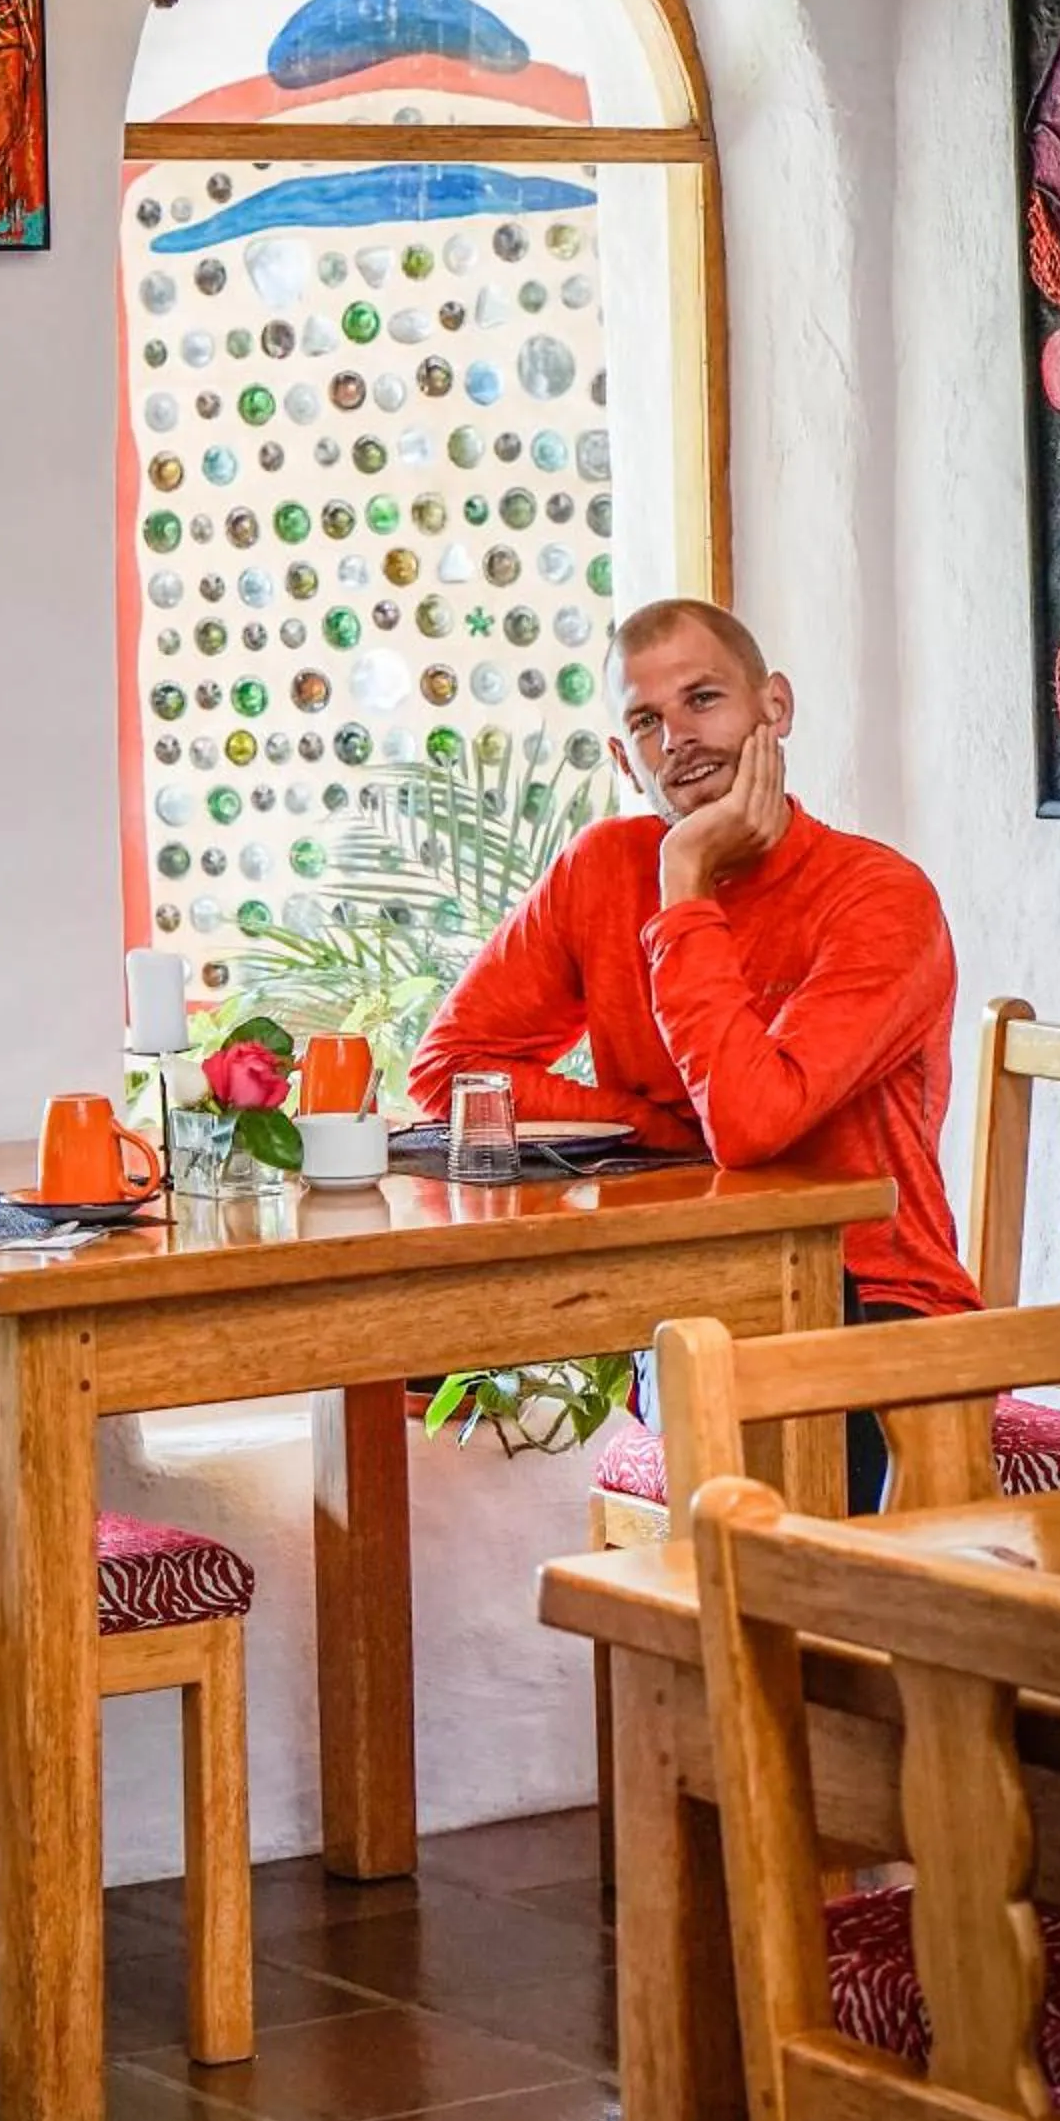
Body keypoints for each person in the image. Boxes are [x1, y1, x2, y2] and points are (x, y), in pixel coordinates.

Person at [408, 597, 979, 1506]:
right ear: (621, 756)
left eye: (703, 699)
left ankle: (797, 1631)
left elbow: (751, 1124)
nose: (677, 737)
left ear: (775, 708)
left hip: (874, 1310)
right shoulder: (600, 869)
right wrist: (654, 1128)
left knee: (796, 1577)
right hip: (691, 1301)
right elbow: (450, 1071)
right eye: (645, 720)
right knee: (720, 1451)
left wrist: (684, 886)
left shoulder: (880, 899)